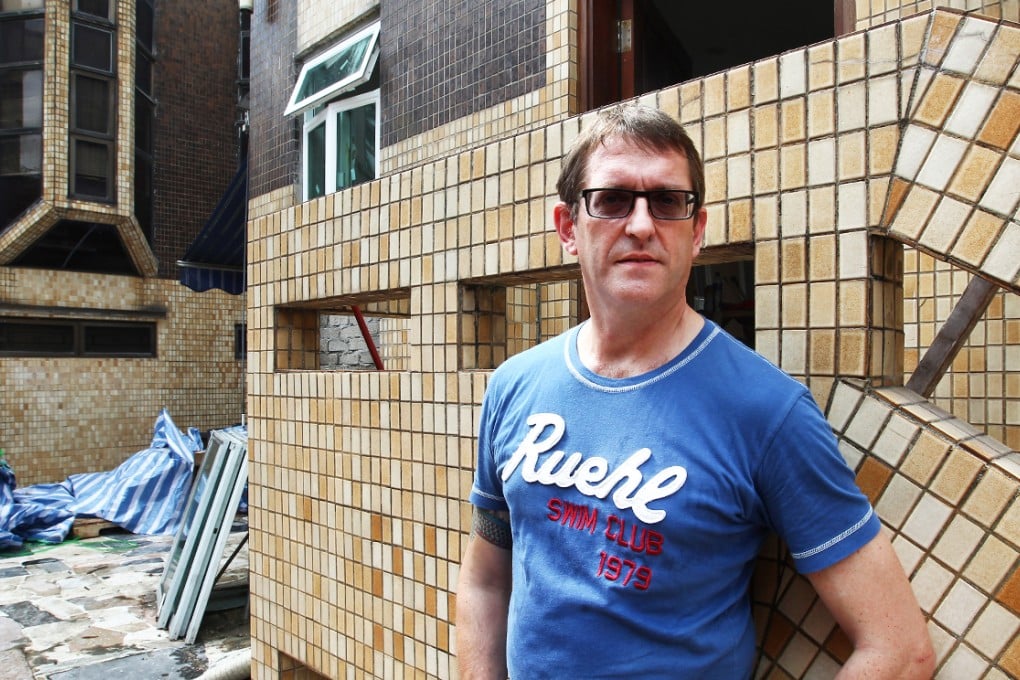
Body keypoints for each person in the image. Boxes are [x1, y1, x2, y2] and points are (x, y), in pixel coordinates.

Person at [455, 104, 934, 679]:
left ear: (697, 230)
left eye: (666, 201)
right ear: (568, 228)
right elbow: (486, 579)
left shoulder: (768, 412)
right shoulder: (514, 386)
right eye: (612, 199)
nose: (640, 225)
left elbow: (899, 648)